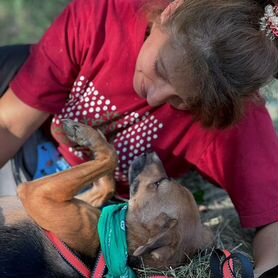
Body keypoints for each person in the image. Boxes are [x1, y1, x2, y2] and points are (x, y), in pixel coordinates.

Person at [0, 0, 277, 276]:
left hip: (79, 202)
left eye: (183, 100)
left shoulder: (232, 116)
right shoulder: (106, 17)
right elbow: (9, 124)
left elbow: (275, 221)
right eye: (160, 69)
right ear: (169, 11)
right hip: (26, 141)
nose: (154, 96)